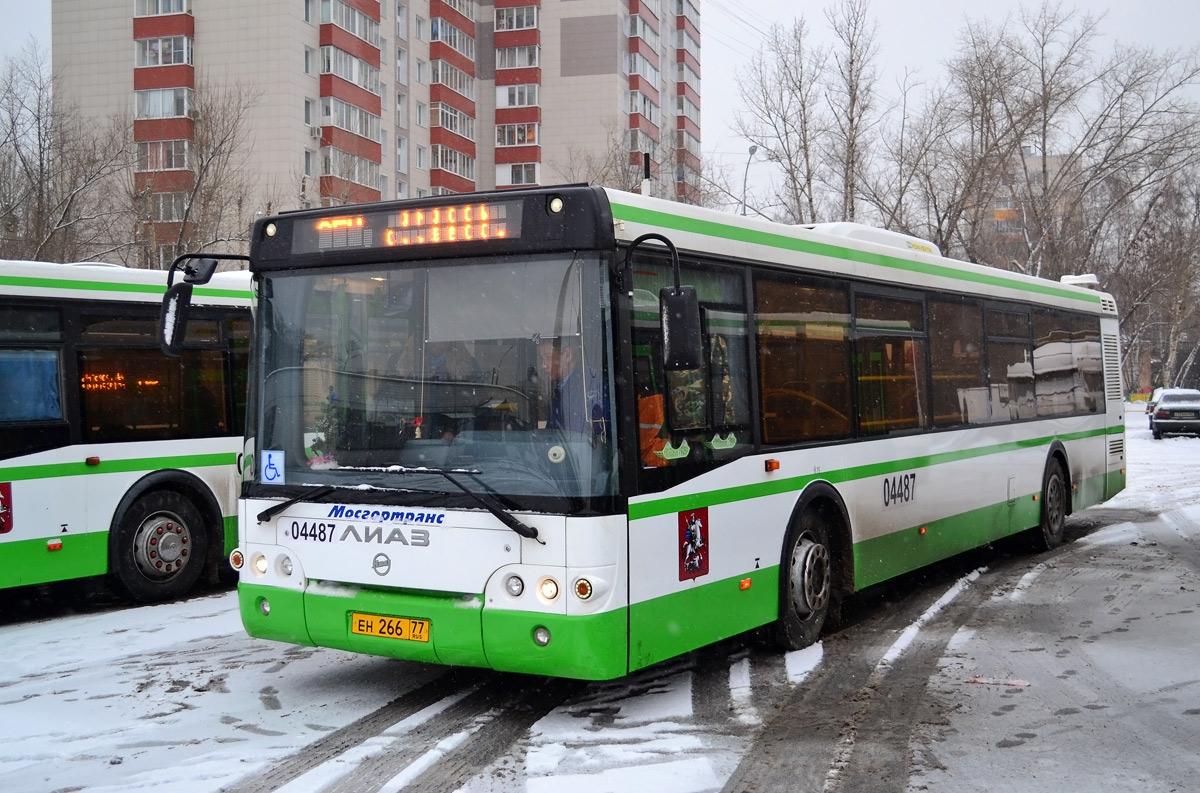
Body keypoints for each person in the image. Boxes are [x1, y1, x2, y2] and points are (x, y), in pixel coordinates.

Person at [539, 339, 608, 437]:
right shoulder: (561, 388)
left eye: (548, 357)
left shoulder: (590, 384)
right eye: (542, 359)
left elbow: (591, 434)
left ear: (567, 355)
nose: (543, 365)